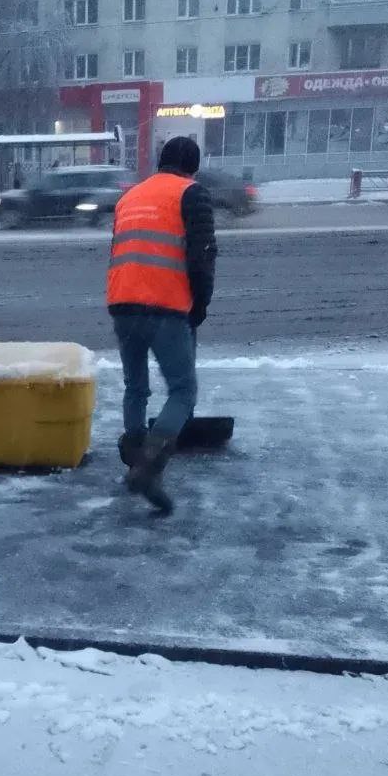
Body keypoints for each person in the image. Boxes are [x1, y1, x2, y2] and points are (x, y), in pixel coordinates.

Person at [107, 137, 216, 514]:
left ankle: (135, 457)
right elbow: (202, 256)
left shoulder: (130, 197)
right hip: (165, 306)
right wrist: (199, 305)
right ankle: (149, 466)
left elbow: (118, 249)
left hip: (121, 302)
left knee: (136, 387)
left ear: (160, 162)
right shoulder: (191, 193)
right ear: (193, 167)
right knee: (183, 392)